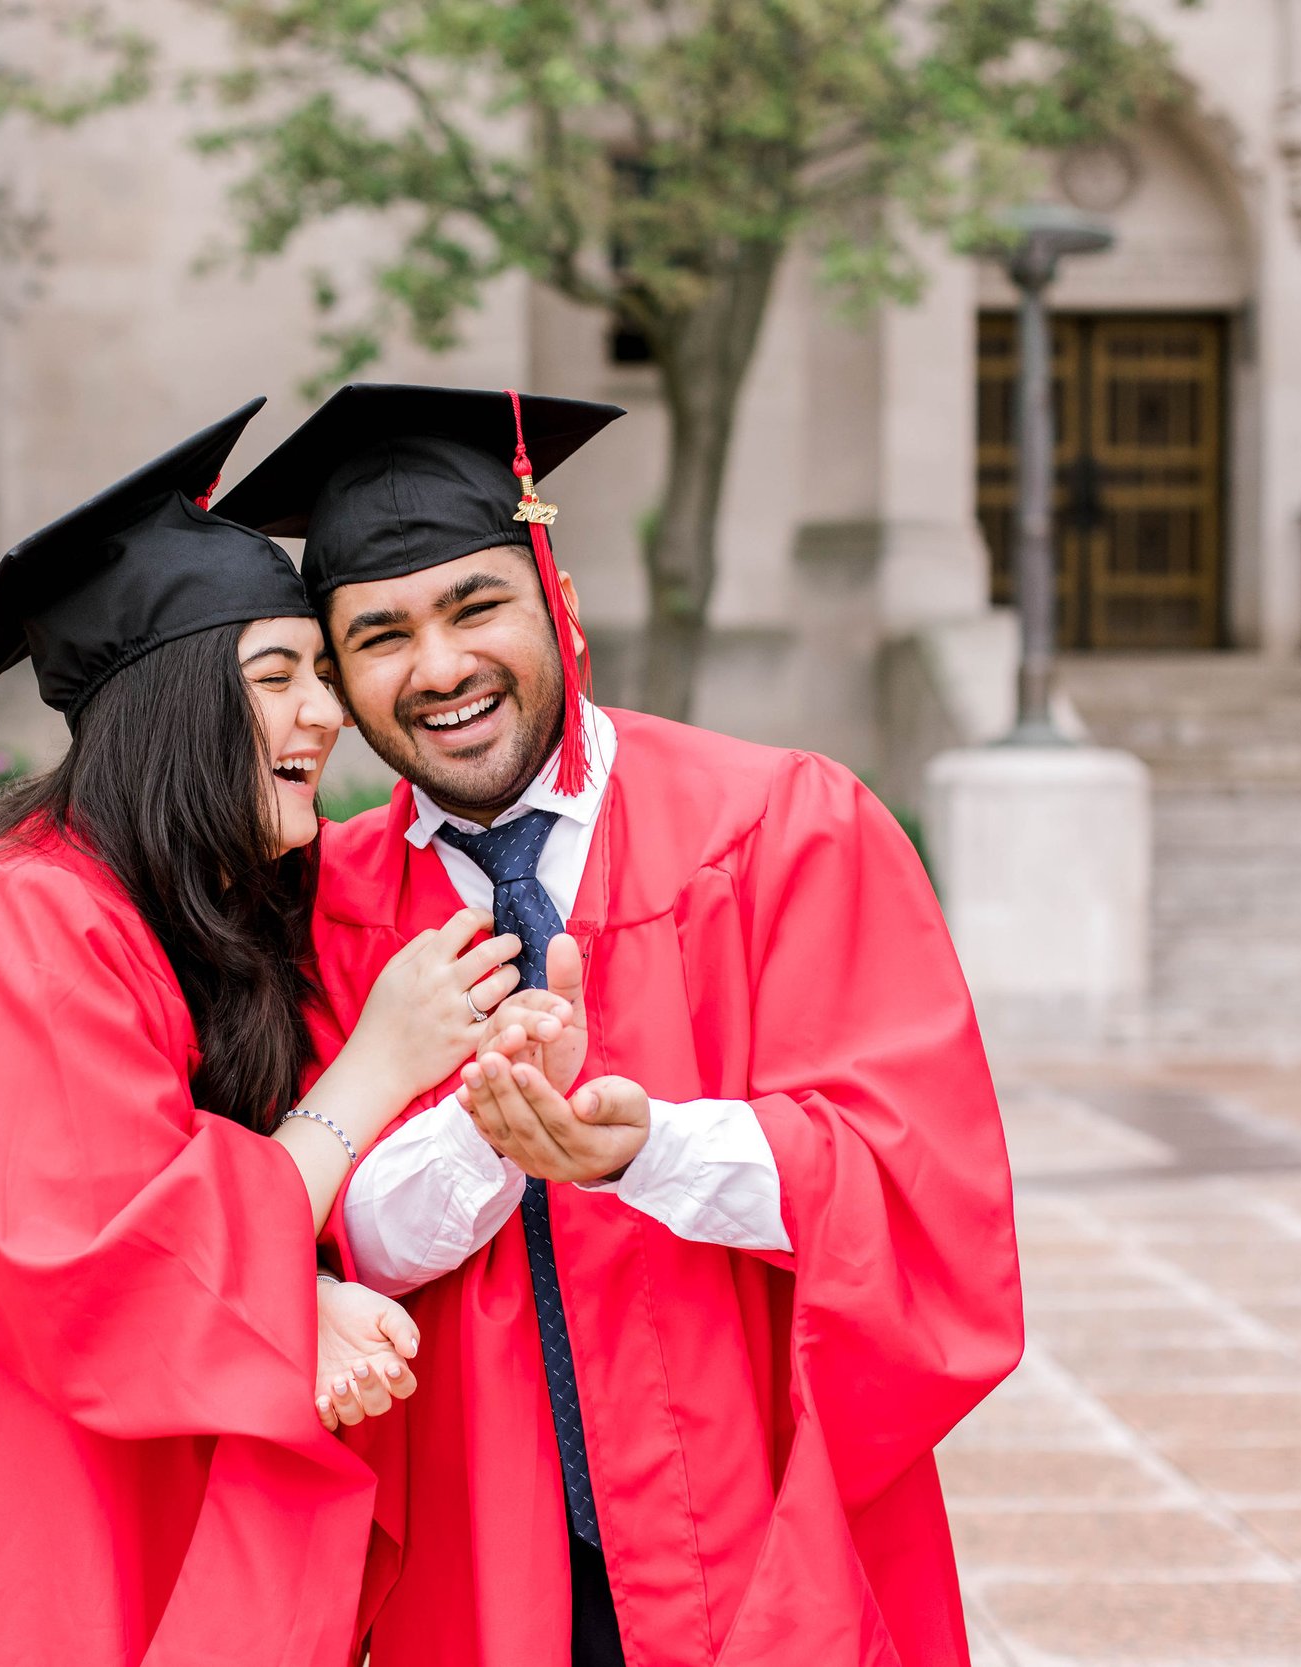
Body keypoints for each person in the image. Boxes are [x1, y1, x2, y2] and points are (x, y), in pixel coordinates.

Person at [215, 384, 1026, 1667]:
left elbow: (917, 1188)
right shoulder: (318, 907)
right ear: (340, 680)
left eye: (476, 606)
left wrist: (640, 1148)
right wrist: (491, 1144)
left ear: (563, 606)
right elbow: (316, 1242)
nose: (437, 667)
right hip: (478, 1570)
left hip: (756, 1532)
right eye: (379, 634)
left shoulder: (785, 831)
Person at [0, 399, 529, 1667]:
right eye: (276, 677)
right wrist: (374, 1067)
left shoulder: (192, 913)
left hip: (132, 1503)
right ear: (171, 709)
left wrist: (313, 1286)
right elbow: (102, 1258)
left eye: (321, 676)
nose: (327, 715)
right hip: (14, 1532)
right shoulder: (10, 926)